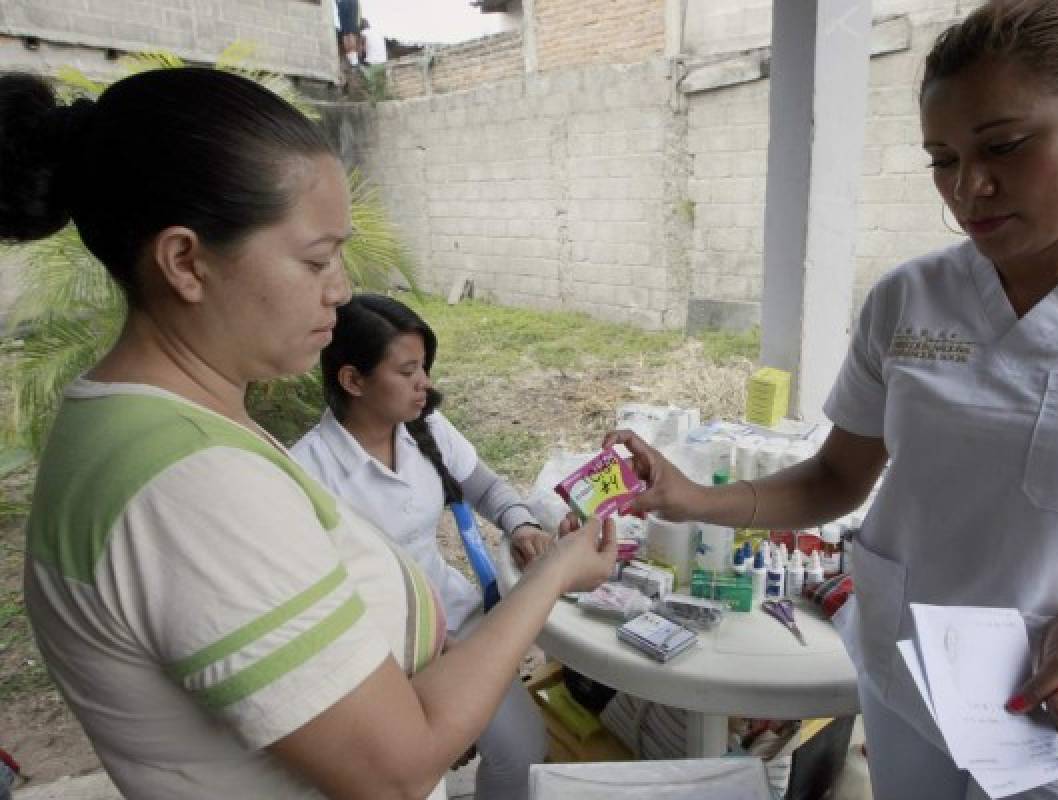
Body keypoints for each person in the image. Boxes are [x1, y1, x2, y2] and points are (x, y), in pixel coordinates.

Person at [605, 2, 1058, 798]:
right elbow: (832, 480)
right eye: (941, 159)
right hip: (912, 684)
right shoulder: (912, 298)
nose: (969, 189)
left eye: (1005, 147)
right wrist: (692, 499)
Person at [8, 67, 616, 800]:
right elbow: (398, 766)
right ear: (185, 262)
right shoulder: (191, 488)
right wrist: (552, 575)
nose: (339, 288)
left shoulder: (162, 424)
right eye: (316, 259)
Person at [291, 293, 561, 800]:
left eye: (425, 368)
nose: (426, 384)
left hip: (454, 618)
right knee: (419, 780)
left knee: (522, 751)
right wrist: (431, 657)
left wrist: (519, 523)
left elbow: (485, 486)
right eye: (408, 371)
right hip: (383, 655)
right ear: (353, 380)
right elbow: (327, 607)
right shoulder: (310, 473)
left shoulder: (424, 429)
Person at [336, 0, 362, 67]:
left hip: (341, 3)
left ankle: (352, 57)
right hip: (349, 3)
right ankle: (353, 58)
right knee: (350, 32)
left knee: (346, 32)